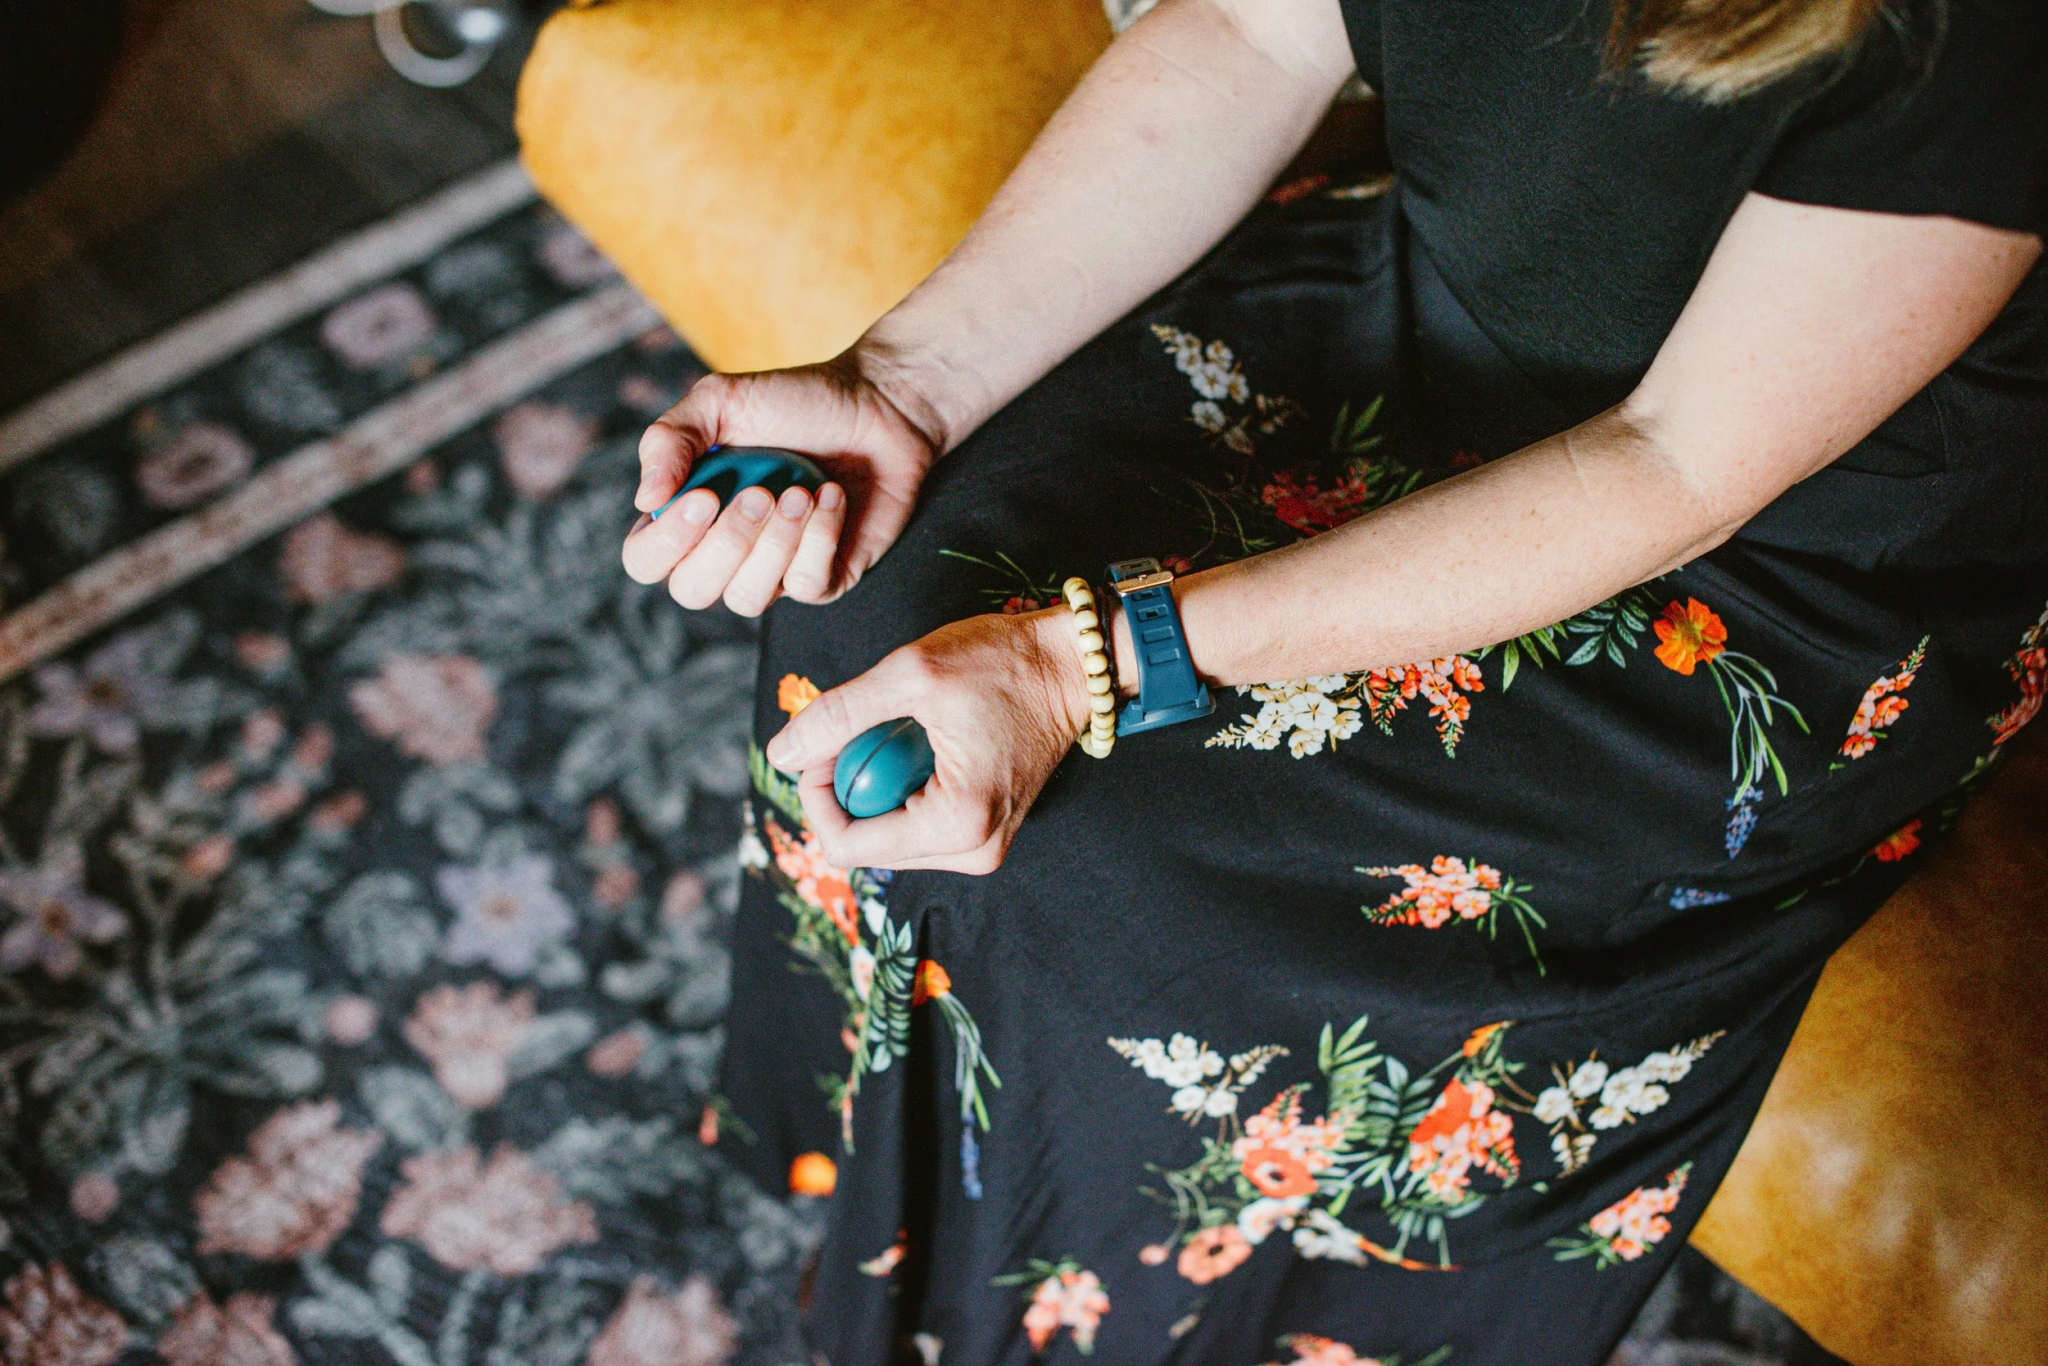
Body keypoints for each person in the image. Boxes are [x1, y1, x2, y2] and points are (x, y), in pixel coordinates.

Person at [620, 0, 2046, 1360]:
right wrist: (904, 386)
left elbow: (1674, 465)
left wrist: (1085, 662)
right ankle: (907, 1219)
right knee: (869, 602)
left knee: (1113, 888)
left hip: (1772, 560)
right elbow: (1257, 27)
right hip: (1431, 298)